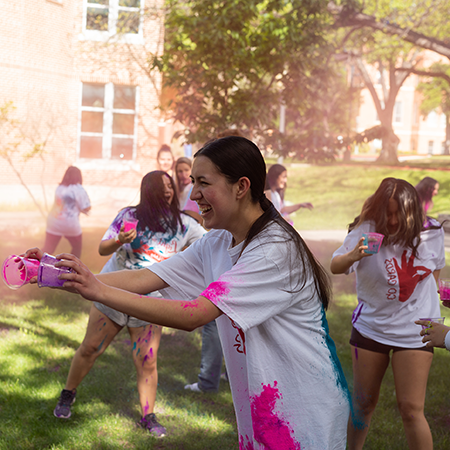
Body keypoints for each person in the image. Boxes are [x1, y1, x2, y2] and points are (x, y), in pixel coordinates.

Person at [25, 136, 350, 449]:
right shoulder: (218, 242)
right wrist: (61, 272)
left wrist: (97, 290)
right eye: (193, 182)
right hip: (265, 413)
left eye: (204, 183)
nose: (193, 194)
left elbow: (195, 314)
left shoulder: (273, 250)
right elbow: (147, 277)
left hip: (304, 416)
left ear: (241, 186)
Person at [51, 171, 205, 437]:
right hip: (111, 292)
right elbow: (102, 249)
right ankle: (68, 393)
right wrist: (119, 240)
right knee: (90, 349)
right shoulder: (128, 217)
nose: (168, 191)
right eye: (162, 186)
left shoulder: (184, 225)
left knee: (147, 360)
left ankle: (148, 414)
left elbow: (211, 247)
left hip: (150, 302)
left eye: (170, 186)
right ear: (148, 190)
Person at [330, 177, 445, 450]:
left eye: (398, 214)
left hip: (416, 328)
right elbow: (336, 266)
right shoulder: (367, 228)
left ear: (413, 211)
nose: (392, 221)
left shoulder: (432, 231)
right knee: (363, 403)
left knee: (411, 408)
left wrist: (437, 300)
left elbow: (434, 272)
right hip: (373, 326)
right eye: (387, 213)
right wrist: (354, 255)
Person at [43, 166, 91, 258]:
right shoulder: (78, 189)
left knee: (48, 249)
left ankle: (31, 264)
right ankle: (70, 268)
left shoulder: (60, 187)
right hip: (70, 224)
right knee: (76, 249)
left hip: (54, 222)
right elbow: (86, 207)